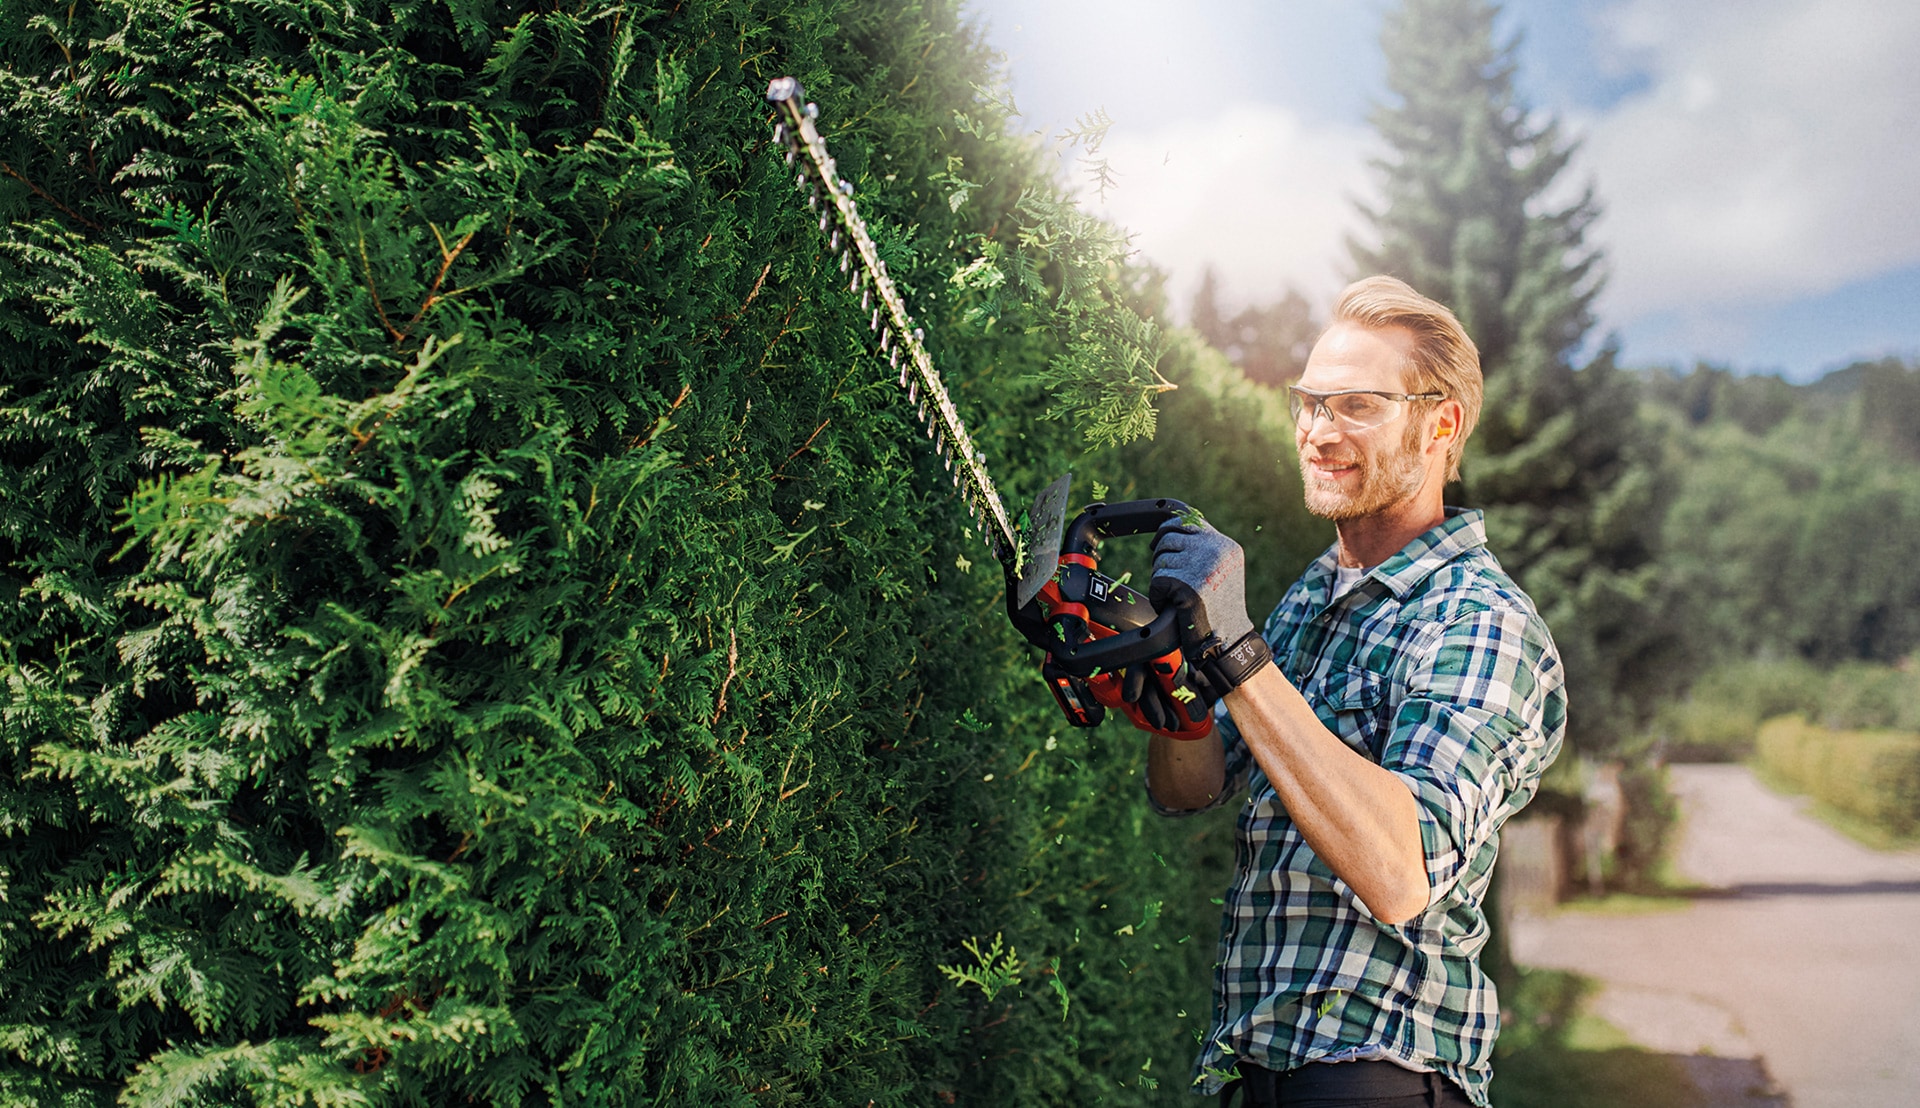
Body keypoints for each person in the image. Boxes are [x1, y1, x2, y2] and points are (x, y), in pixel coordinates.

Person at [1136, 276, 1566, 1107]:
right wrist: (1166, 683)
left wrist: (1235, 648)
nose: (1318, 432)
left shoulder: (1481, 624)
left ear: (1439, 424)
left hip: (1380, 1076)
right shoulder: (1314, 592)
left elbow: (1402, 872)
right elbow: (1192, 785)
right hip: (1250, 1069)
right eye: (1309, 403)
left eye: (1357, 407)